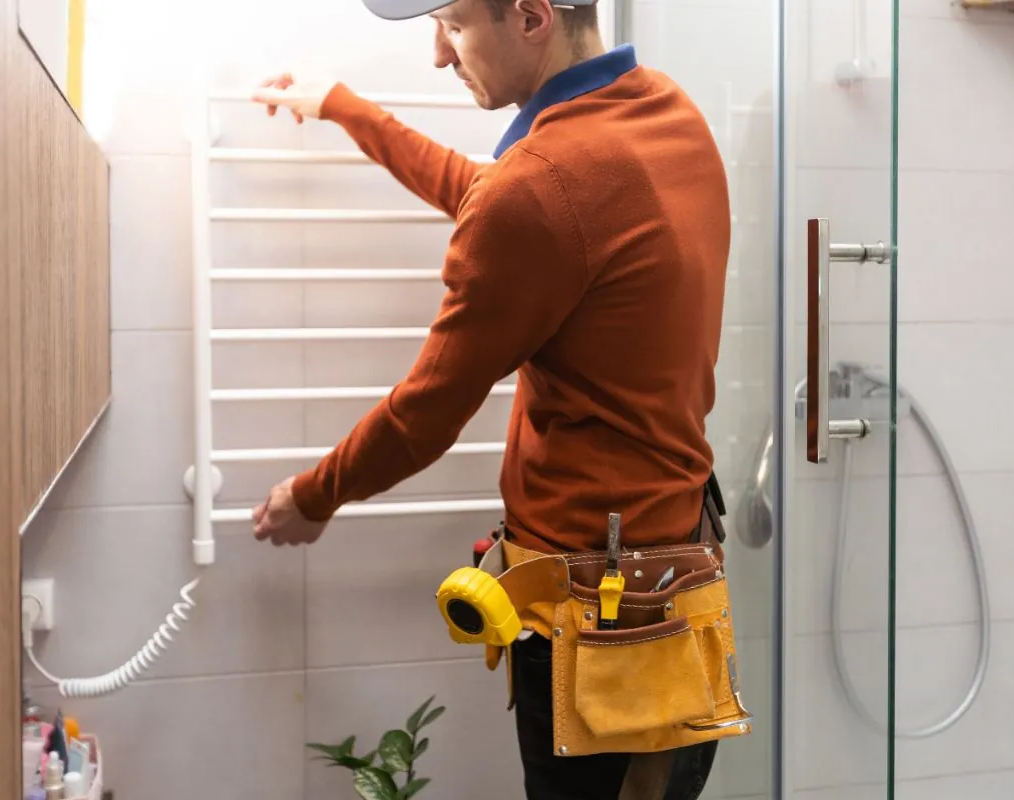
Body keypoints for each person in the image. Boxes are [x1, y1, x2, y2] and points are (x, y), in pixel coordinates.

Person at [250, 0, 732, 797]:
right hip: (680, 589)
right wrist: (348, 110)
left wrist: (313, 496)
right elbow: (501, 200)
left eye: (455, 26)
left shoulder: (541, 189)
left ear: (533, 16)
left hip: (599, 631)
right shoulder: (666, 113)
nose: (440, 54)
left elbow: (425, 413)